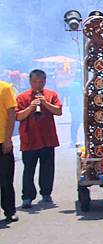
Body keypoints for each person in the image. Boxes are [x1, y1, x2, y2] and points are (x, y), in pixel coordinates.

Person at [16, 70, 62, 209]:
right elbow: (18, 116)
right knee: (29, 169)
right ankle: (27, 196)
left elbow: (58, 111)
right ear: (30, 82)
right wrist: (31, 107)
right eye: (35, 82)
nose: (38, 84)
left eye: (41, 82)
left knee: (47, 168)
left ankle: (46, 193)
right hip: (29, 138)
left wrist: (45, 103)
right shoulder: (22, 97)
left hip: (47, 138)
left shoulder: (51, 94)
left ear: (45, 81)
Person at [0, 79, 18, 222]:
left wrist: (8, 139)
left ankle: (9, 210)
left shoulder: (5, 88)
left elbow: (11, 114)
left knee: (6, 180)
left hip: (2, 142)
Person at [67, 79, 83, 148]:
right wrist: (82, 107)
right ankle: (73, 140)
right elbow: (78, 97)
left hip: (72, 106)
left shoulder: (73, 84)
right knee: (76, 123)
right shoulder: (77, 85)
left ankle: (73, 140)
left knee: (74, 124)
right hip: (76, 107)